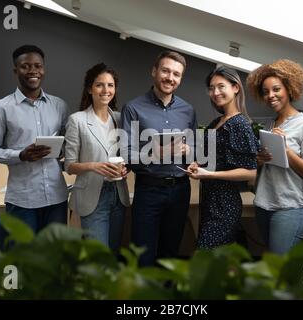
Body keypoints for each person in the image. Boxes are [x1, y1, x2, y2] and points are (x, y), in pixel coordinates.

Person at [0, 45, 69, 234]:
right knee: (22, 259)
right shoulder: (0, 108)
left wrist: (61, 150)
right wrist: (20, 155)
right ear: (15, 71)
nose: (33, 71)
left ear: (44, 69)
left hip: (57, 198)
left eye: (38, 66)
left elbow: (66, 143)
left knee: (54, 258)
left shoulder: (59, 105)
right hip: (22, 201)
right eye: (26, 66)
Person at [121, 50, 197, 266]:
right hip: (148, 191)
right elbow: (126, 154)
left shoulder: (188, 110)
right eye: (165, 71)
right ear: (154, 71)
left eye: (176, 74)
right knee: (142, 255)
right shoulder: (133, 108)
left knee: (170, 255)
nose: (170, 78)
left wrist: (189, 154)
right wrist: (158, 153)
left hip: (181, 190)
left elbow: (194, 149)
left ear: (180, 79)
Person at [246, 59, 303, 254]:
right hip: (264, 204)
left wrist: (286, 149)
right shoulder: (269, 125)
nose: (270, 95)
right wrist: (260, 161)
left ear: (289, 89)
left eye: (276, 89)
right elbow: (268, 166)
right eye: (265, 92)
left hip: (290, 208)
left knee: (279, 269)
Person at [187, 66, 258, 250]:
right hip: (210, 201)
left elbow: (250, 172)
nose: (215, 92)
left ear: (235, 88)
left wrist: (208, 175)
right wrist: (197, 164)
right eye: (211, 88)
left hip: (225, 204)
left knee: (203, 257)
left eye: (221, 86)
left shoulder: (240, 124)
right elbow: (209, 159)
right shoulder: (216, 123)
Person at [64, 63, 130, 253]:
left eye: (110, 85)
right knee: (99, 257)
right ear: (89, 88)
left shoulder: (120, 118)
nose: (106, 90)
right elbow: (69, 165)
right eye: (100, 85)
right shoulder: (77, 120)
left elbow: (125, 154)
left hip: (118, 195)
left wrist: (126, 168)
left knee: (114, 253)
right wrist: (94, 166)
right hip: (93, 196)